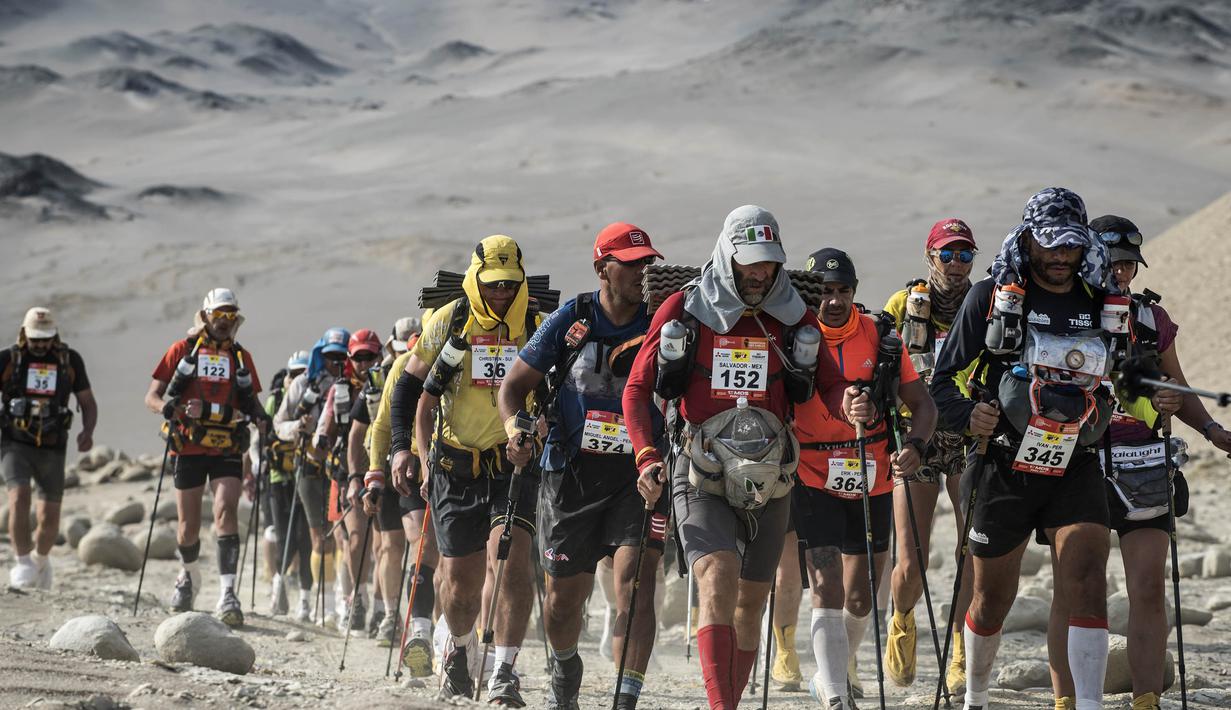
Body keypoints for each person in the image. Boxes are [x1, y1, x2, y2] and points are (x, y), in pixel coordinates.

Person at [930, 188, 1166, 710]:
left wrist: (1155, 398)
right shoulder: (991, 296)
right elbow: (941, 381)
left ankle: (1088, 704)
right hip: (1003, 463)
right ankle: (975, 697)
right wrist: (969, 417)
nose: (1061, 256)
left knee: (1088, 578)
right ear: (1028, 241)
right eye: (1050, 244)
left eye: (1071, 245)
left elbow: (1127, 379)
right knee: (991, 599)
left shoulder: (1102, 300)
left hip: (1077, 463)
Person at [623, 205, 828, 710]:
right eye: (751, 262)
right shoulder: (684, 308)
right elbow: (637, 389)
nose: (761, 273)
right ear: (727, 256)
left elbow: (830, 381)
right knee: (717, 577)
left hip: (772, 475)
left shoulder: (794, 316)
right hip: (700, 469)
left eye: (769, 263)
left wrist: (854, 398)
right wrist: (646, 457)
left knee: (751, 602)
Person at [1044, 215, 1230, 710]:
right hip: (1075, 461)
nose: (1122, 272)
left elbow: (1177, 386)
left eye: (1130, 264)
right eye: (1114, 262)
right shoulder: (1058, 313)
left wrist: (1211, 430)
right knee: (1072, 587)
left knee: (1147, 586)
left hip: (1144, 463)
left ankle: (1146, 701)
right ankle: (1067, 702)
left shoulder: (1151, 319)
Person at [498, 222, 666, 710]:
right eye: (630, 264)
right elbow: (513, 387)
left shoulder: (663, 320)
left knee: (637, 582)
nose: (642, 273)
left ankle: (626, 698)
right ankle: (565, 667)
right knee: (562, 601)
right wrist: (516, 432)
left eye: (648, 263)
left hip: (639, 474)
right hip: (570, 473)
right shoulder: (572, 318)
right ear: (602, 269)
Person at [771, 249, 936, 708]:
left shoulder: (881, 337)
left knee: (861, 598)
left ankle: (837, 667)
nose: (834, 300)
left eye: (843, 290)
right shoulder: (793, 338)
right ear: (811, 295)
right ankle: (835, 694)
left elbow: (923, 405)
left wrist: (915, 446)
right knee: (826, 584)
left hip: (872, 475)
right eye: (825, 291)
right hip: (812, 474)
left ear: (854, 292)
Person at [387, 235, 542, 705]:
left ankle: (505, 671)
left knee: (512, 566)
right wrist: (404, 451)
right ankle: (457, 647)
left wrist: (539, 433)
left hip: (512, 466)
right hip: (455, 467)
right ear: (476, 280)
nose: (502, 293)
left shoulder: (536, 325)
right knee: (459, 585)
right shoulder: (450, 321)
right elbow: (408, 392)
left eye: (510, 284)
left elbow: (556, 394)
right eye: (493, 284)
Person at [880, 219, 978, 690]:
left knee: (972, 549)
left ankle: (960, 649)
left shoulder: (988, 305)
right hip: (914, 439)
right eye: (948, 254)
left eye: (965, 255)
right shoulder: (902, 305)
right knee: (911, 559)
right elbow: (876, 362)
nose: (956, 264)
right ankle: (901, 620)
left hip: (970, 439)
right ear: (930, 256)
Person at [145, 288, 265, 627]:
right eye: (219, 314)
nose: (225, 321)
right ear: (205, 315)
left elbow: (253, 402)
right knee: (188, 526)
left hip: (228, 445)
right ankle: (189, 575)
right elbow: (152, 396)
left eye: (231, 315)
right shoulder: (182, 351)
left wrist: (262, 418)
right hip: (188, 446)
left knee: (226, 511)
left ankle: (228, 593)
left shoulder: (241, 358)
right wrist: (167, 408)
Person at [362, 315, 440, 673]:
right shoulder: (402, 367)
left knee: (453, 558)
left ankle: (450, 634)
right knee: (418, 544)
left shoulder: (474, 354)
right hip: (413, 470)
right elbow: (380, 425)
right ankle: (413, 627)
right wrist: (374, 476)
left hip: (464, 469)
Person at [3, 307, 96, 589]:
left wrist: (87, 431)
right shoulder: (9, 359)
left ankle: (41, 560)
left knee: (49, 517)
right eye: (35, 339)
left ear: (54, 335)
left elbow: (87, 402)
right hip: (14, 442)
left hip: (53, 446)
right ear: (24, 335)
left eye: (45, 339)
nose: (41, 345)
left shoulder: (69, 360)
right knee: (19, 498)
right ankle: (22, 562)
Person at [273, 326, 350, 628]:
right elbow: (279, 423)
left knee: (342, 535)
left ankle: (341, 602)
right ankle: (323, 604)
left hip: (341, 469)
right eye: (330, 356)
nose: (335, 362)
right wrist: (297, 428)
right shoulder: (303, 383)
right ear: (321, 354)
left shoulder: (353, 383)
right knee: (319, 536)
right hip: (309, 467)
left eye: (341, 357)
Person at [316, 328, 383, 631]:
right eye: (359, 357)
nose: (365, 363)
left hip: (382, 469)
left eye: (370, 356)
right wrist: (320, 439)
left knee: (381, 544)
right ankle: (356, 599)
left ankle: (379, 605)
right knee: (354, 540)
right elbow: (326, 428)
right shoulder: (339, 390)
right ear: (350, 359)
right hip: (348, 474)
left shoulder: (388, 382)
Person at [264, 351, 311, 618]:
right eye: (293, 373)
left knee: (306, 540)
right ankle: (278, 587)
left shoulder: (313, 399)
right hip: (279, 480)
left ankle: (305, 599)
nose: (296, 379)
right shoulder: (276, 400)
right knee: (284, 538)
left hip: (307, 477)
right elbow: (263, 435)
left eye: (303, 373)